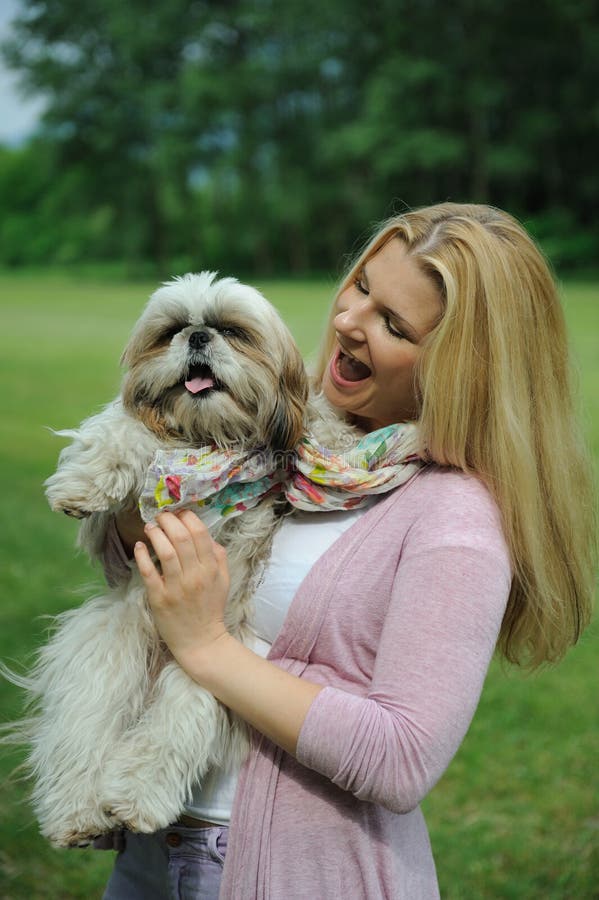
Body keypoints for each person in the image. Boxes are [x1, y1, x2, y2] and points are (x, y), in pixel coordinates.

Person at [100, 203, 596, 899]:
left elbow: (400, 758)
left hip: (283, 869)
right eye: (362, 287)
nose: (348, 323)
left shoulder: (453, 519)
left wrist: (208, 645)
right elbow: (152, 571)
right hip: (151, 846)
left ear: (462, 367)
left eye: (394, 325)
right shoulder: (285, 434)